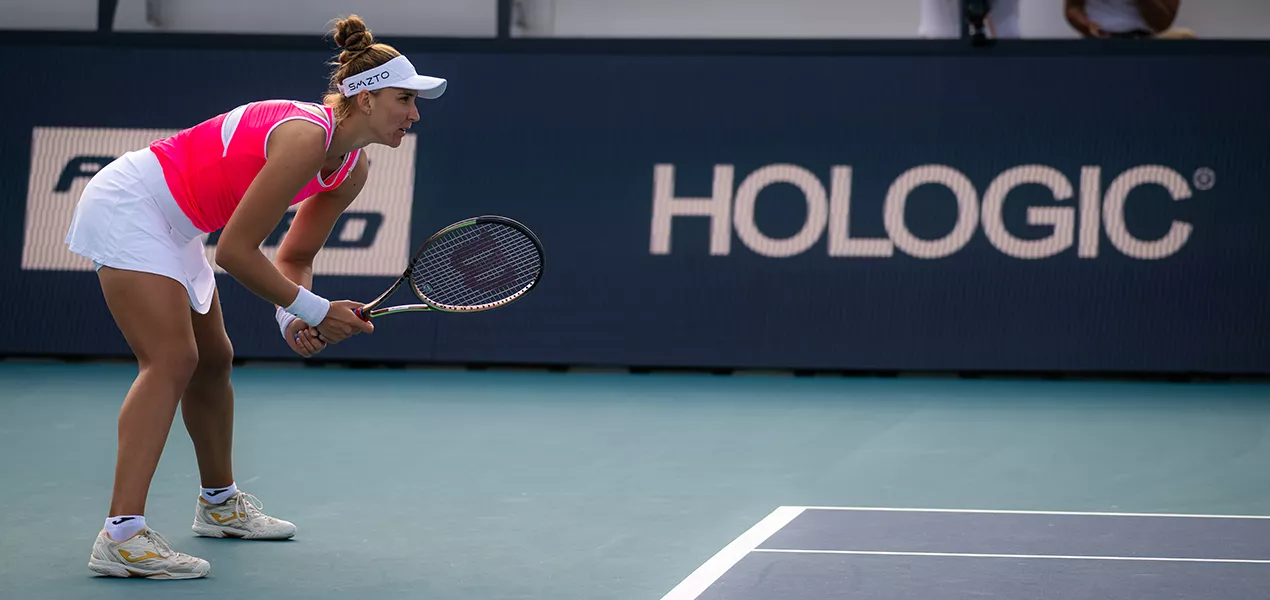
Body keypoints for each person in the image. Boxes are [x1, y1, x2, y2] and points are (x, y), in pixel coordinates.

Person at [66, 14, 447, 579]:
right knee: (172, 360)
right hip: (133, 203)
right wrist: (316, 310)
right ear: (365, 100)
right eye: (403, 100)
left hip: (180, 224)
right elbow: (236, 254)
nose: (414, 114)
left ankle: (219, 506)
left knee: (213, 360)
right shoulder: (305, 135)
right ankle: (121, 535)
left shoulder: (351, 167)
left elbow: (293, 258)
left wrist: (289, 320)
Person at [1064, 0, 1190, 38]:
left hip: (1141, 42)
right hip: (1096, 43)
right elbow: (1072, 7)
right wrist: (1086, 25)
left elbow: (1164, 21)